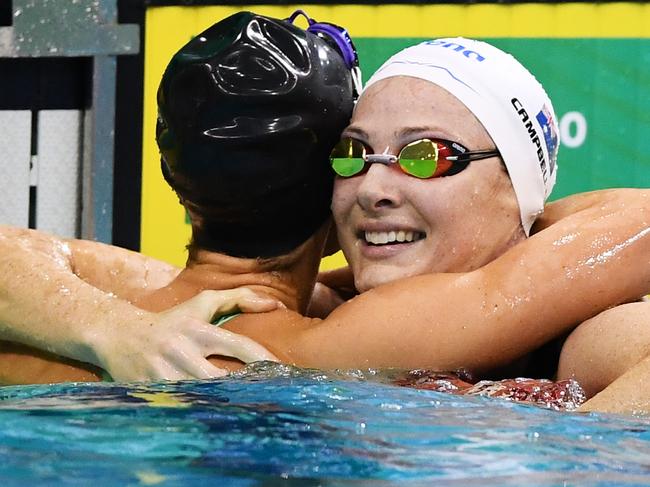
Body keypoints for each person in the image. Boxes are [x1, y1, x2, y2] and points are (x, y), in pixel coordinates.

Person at [0, 17, 648, 412]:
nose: (374, 185)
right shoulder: (325, 341)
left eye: (424, 157)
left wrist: (104, 322)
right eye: (353, 156)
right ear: (323, 196)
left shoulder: (122, 311)